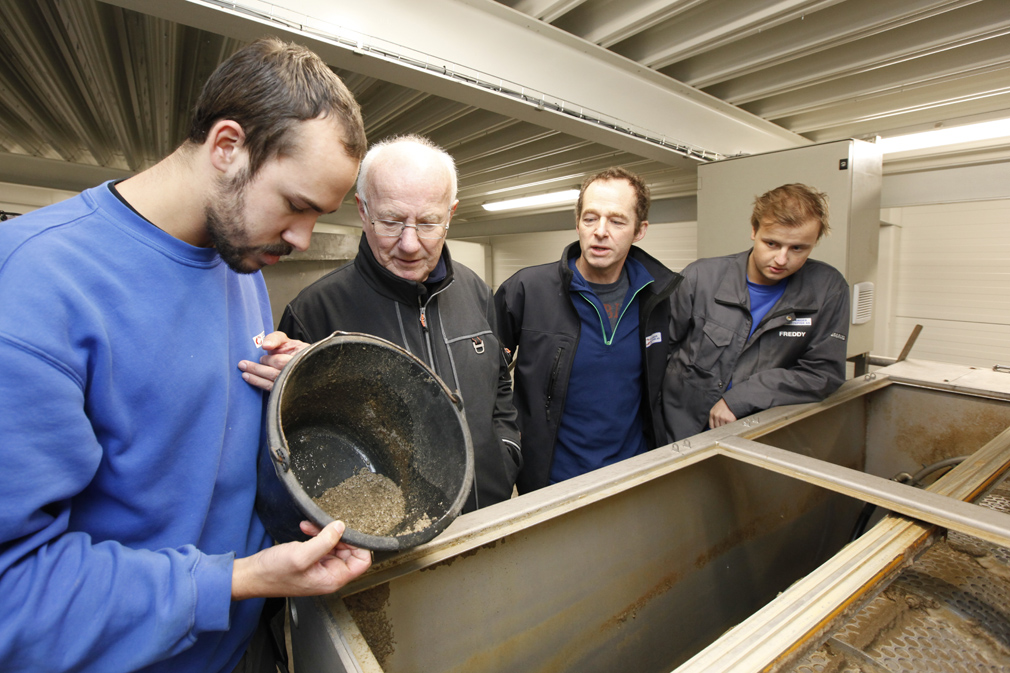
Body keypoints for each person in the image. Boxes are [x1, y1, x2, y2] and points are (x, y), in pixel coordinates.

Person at [0, 38, 372, 673]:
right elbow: (16, 595)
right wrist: (239, 579)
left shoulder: (240, 261)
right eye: (295, 206)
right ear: (227, 147)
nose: (304, 240)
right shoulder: (35, 285)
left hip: (241, 641)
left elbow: (203, 452)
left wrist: (294, 391)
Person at [275, 134, 522, 512]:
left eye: (428, 223)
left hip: (485, 516)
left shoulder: (475, 291)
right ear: (362, 209)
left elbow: (500, 384)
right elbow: (293, 448)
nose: (409, 243)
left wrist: (505, 455)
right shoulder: (313, 314)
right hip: (385, 547)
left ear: (450, 215)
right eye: (391, 221)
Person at [494, 167, 683, 494]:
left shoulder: (659, 297)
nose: (600, 231)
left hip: (633, 476)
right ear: (577, 222)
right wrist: (508, 439)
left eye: (618, 221)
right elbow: (483, 373)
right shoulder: (527, 290)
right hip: (550, 483)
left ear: (640, 230)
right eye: (591, 218)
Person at [663, 183, 850, 441]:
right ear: (754, 230)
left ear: (814, 242)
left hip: (759, 432)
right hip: (678, 430)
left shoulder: (828, 289)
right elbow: (659, 353)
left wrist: (741, 398)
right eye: (771, 243)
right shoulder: (700, 277)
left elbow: (823, 374)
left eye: (798, 248)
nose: (781, 259)